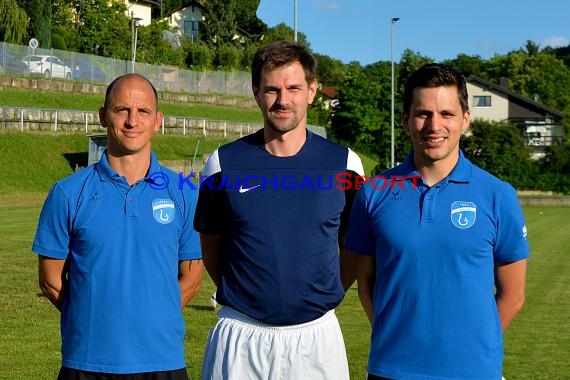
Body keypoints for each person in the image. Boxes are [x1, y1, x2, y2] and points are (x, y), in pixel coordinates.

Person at [346, 63, 529, 380]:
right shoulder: (373, 193)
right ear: (406, 120)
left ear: (465, 120)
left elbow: (513, 295)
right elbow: (367, 289)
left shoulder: (498, 195)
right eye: (423, 113)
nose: (434, 125)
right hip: (391, 371)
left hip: (474, 373)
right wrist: (400, 343)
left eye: (446, 114)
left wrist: (473, 349)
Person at [193, 41, 364, 380]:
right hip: (241, 335)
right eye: (272, 89)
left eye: (294, 88)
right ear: (256, 92)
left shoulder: (345, 164)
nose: (283, 100)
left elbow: (353, 247)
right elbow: (212, 249)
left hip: (316, 338)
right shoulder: (222, 163)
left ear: (312, 91)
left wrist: (322, 293)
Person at [32, 73, 204, 380]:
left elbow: (191, 280)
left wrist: (152, 320)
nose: (131, 120)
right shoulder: (67, 193)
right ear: (103, 116)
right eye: (121, 109)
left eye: (143, 112)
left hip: (162, 363)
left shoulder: (184, 193)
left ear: (157, 121)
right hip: (87, 363)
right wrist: (96, 323)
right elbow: (51, 281)